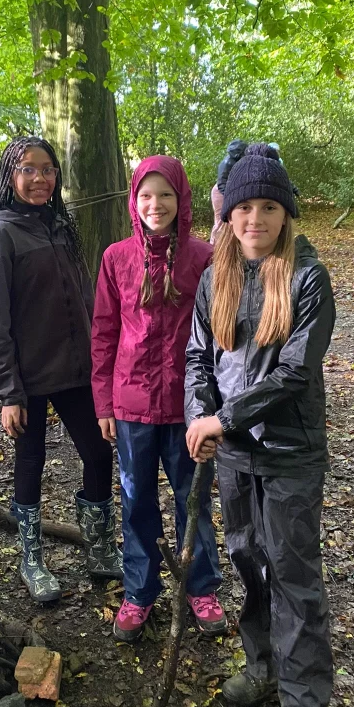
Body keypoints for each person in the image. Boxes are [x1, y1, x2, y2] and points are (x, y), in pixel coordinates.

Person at [184, 142, 335, 707]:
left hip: (289, 455)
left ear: (285, 212)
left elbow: (296, 372)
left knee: (294, 578)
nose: (255, 218)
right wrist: (199, 414)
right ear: (230, 211)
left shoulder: (307, 277)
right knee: (247, 561)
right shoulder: (214, 275)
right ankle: (260, 665)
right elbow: (198, 358)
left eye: (268, 206)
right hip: (232, 458)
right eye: (245, 205)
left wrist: (228, 417)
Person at [0, 135, 123, 602]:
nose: (40, 178)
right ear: (10, 176)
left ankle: (98, 547)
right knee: (30, 462)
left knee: (100, 452)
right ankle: (31, 558)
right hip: (28, 376)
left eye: (48, 169)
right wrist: (7, 392)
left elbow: (85, 299)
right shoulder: (0, 233)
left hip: (77, 370)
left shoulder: (62, 226)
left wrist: (103, 361)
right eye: (28, 169)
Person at [92, 155, 226, 642]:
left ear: (180, 198)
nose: (156, 204)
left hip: (189, 409)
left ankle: (202, 587)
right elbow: (105, 331)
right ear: (134, 200)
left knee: (195, 502)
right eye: (146, 195)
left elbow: (217, 333)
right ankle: (139, 592)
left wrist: (214, 405)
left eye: (165, 194)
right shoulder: (116, 257)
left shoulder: (203, 257)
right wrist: (104, 402)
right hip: (131, 408)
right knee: (136, 501)